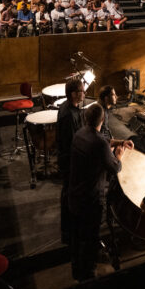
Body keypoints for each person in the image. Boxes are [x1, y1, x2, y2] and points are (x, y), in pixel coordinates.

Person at [68, 103, 126, 281]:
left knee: (80, 237)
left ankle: (78, 271)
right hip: (91, 199)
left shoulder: (79, 134)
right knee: (91, 238)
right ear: (103, 120)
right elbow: (115, 168)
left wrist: (117, 142)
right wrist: (119, 155)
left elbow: (99, 143)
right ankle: (88, 277)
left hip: (75, 195)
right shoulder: (100, 143)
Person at [57, 78, 85, 244]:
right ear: (72, 94)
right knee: (69, 196)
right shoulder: (69, 116)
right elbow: (73, 143)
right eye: (80, 91)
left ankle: (69, 230)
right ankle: (68, 233)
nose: (83, 94)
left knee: (68, 194)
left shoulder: (68, 107)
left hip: (68, 160)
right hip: (69, 162)